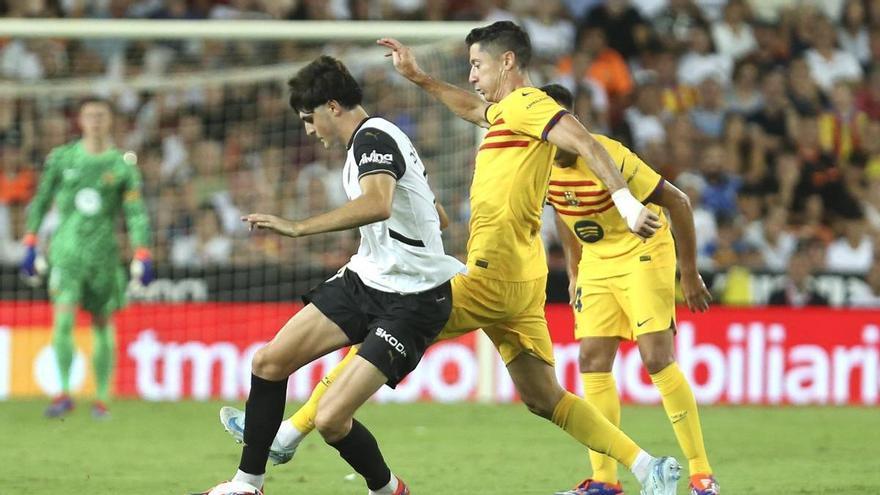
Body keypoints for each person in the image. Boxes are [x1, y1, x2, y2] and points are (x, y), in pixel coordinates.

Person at [221, 21, 682, 494]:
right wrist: (420, 78)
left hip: (488, 276)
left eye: (477, 65)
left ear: (507, 62)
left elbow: (583, 139)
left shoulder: (530, 102)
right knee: (546, 398)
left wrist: (626, 203)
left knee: (388, 323)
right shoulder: (509, 115)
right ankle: (649, 466)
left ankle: (288, 432)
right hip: (523, 277)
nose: (473, 77)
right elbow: (473, 109)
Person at [196, 55, 464, 495]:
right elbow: (438, 215)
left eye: (309, 119)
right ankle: (247, 484)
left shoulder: (371, 138)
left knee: (331, 420)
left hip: (411, 300)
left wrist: (298, 227)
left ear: (332, 107)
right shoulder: (376, 141)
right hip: (367, 279)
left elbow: (378, 203)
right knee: (268, 362)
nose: (308, 130)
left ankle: (388, 489)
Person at [538, 84, 720, 495]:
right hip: (598, 259)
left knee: (656, 358)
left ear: (573, 121)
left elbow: (679, 202)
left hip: (643, 250)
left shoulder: (607, 154)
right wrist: (573, 272)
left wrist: (689, 274)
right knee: (591, 359)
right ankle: (604, 481)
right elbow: (567, 215)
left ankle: (701, 474)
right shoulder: (541, 165)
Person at [21, 97, 154, 419]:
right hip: (66, 254)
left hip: (104, 256)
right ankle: (63, 392)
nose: (95, 120)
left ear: (110, 121)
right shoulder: (62, 158)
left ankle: (102, 398)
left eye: (101, 115)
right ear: (79, 120)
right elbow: (39, 201)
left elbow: (135, 213)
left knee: (102, 323)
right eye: (90, 115)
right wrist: (30, 241)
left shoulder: (122, 165)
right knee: (63, 320)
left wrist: (143, 250)